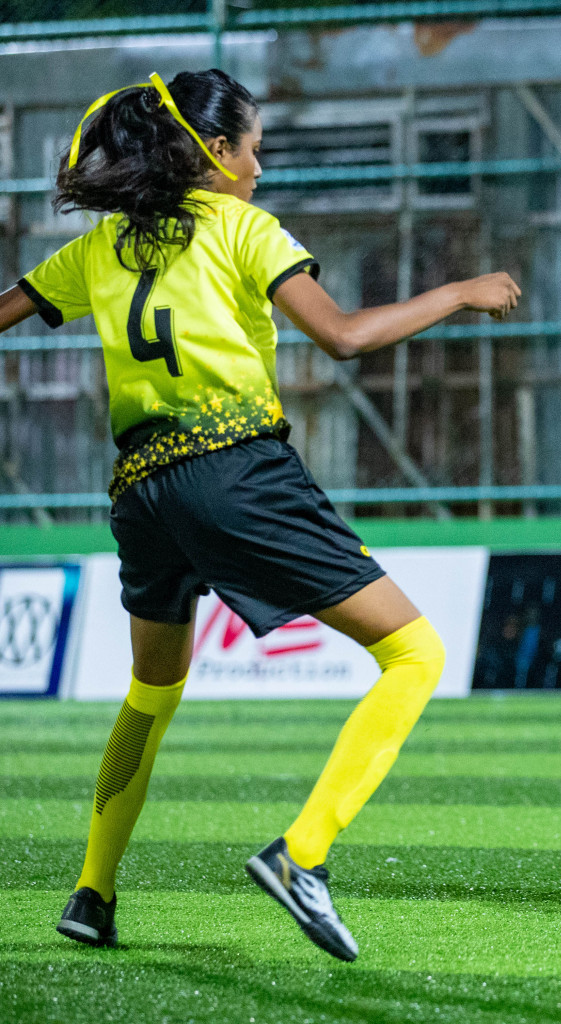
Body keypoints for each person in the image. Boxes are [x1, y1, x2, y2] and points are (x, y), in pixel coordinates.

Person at [0, 70, 519, 959]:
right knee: (415, 651)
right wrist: (461, 293)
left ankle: (92, 891)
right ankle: (301, 855)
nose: (259, 164)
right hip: (235, 472)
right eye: (251, 147)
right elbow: (346, 336)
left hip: (141, 492)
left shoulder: (101, 249)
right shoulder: (244, 228)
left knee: (150, 693)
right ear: (213, 152)